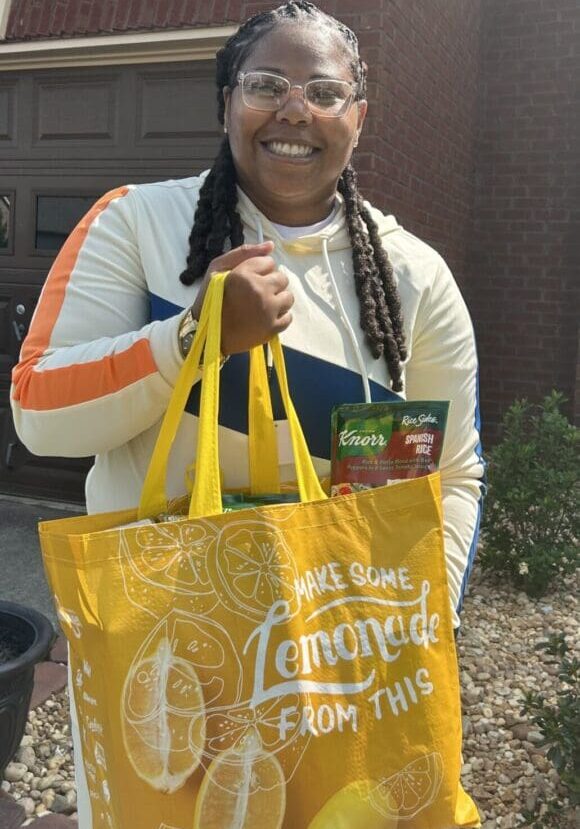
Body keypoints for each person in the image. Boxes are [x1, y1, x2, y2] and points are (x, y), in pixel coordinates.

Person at [11, 2, 484, 825]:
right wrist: (194, 336)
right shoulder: (137, 224)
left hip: (338, 667)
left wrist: (414, 627)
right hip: (163, 679)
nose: (295, 109)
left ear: (357, 118)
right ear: (226, 100)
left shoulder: (416, 279)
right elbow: (40, 413)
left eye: (324, 91)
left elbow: (451, 475)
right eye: (266, 84)